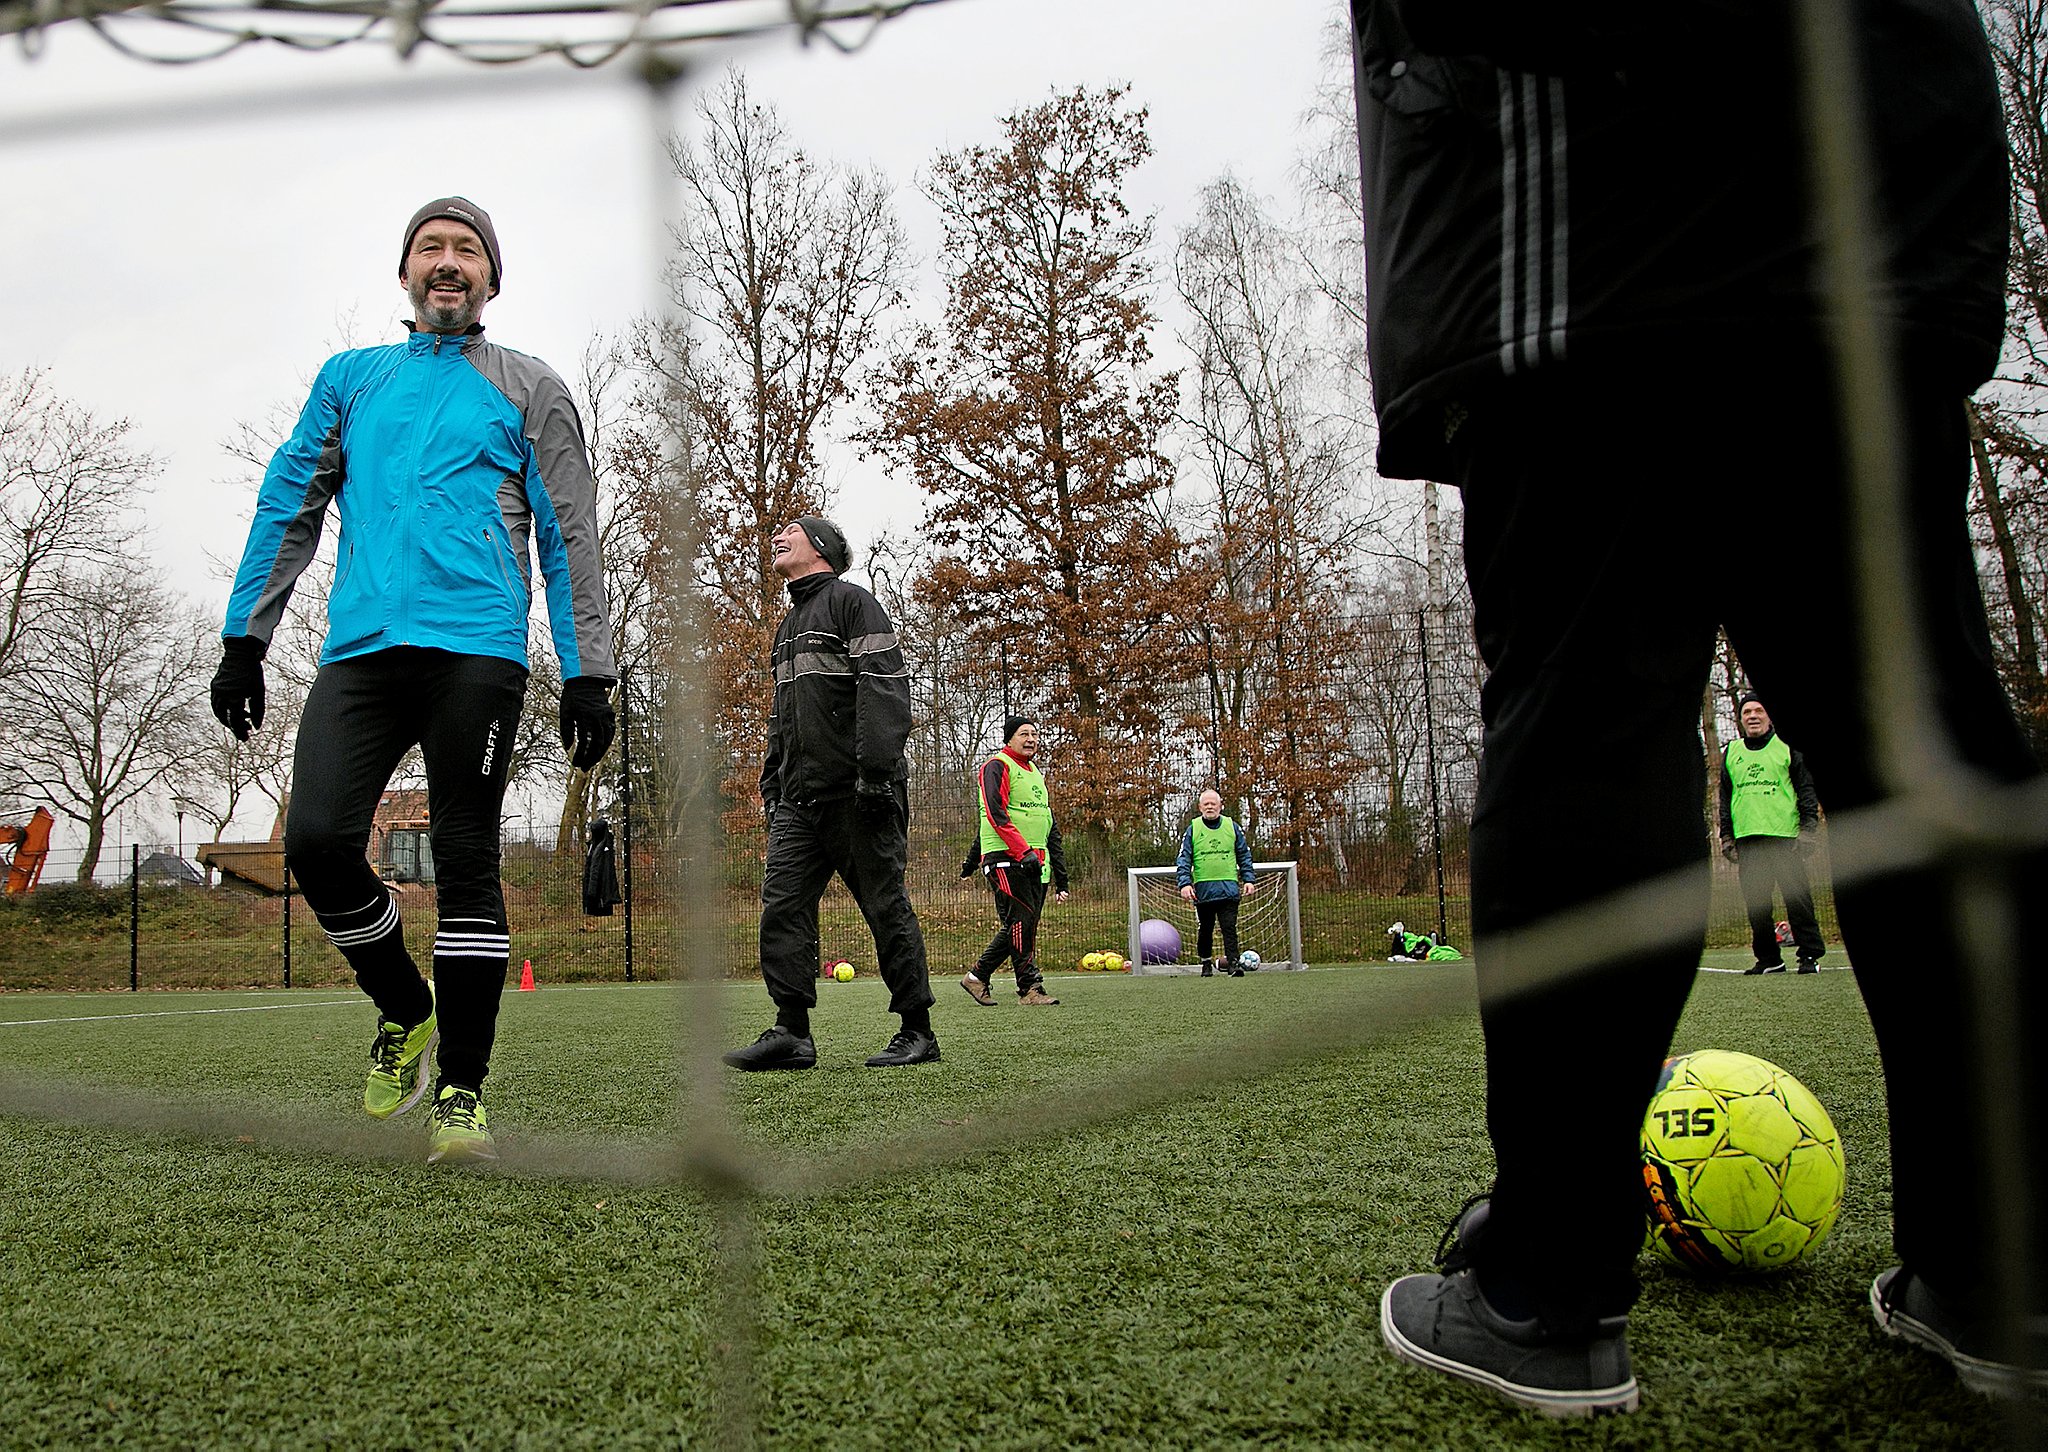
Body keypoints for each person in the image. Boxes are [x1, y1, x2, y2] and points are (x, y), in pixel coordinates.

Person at [1351, 0, 2047, 1416]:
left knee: (1588, 710)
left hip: (1600, 200)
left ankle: (1545, 1285)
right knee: (1918, 725)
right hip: (1879, 201)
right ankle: (2001, 1269)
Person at [211, 197, 617, 1165]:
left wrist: (588, 670)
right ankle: (402, 1003)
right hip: (360, 652)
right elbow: (289, 502)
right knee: (314, 839)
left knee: (468, 858)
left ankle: (462, 1096)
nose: (447, 262)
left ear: (490, 280)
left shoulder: (530, 387)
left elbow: (567, 534)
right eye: (430, 248)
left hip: (476, 651)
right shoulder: (350, 380)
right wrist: (244, 638)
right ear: (404, 275)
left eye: (466, 250)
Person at [723, 518, 939, 1070]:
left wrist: (874, 774)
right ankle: (792, 1033)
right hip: (799, 799)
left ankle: (918, 1031)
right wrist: (773, 783)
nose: (777, 535)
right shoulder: (787, 626)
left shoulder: (853, 604)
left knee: (884, 906)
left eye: (791, 529)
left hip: (859, 791)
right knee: (783, 907)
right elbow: (782, 716)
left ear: (819, 548)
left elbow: (885, 688)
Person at [960, 716, 1069, 1007]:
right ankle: (1030, 989)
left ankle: (977, 976)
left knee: (1022, 925)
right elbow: (995, 815)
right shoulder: (996, 766)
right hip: (1007, 858)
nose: (1031, 738)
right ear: (1009, 739)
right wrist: (1019, 852)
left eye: (1035, 734)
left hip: (1034, 861)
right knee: (1021, 921)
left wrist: (1058, 872)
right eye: (1024, 733)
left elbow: (1048, 823)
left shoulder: (1035, 772)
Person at [1718, 693, 1826, 975]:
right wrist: (1727, 836)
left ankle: (1809, 956)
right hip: (1747, 839)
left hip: (1784, 838)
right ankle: (1769, 959)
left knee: (1797, 899)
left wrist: (1808, 830)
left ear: (1768, 716)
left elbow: (1805, 789)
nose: (1752, 716)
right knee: (1757, 905)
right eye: (1746, 713)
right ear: (1740, 720)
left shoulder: (1787, 747)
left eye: (1758, 711)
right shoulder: (1732, 752)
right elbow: (1725, 798)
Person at [1175, 789, 1257, 977]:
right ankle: (1205, 963)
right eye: (1206, 804)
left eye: (1213, 803)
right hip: (1203, 890)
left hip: (1228, 889)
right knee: (1206, 928)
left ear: (1221, 806)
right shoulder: (1193, 829)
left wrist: (1249, 879)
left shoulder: (1232, 827)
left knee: (1229, 927)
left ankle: (1233, 964)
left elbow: (1244, 854)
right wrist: (1185, 883)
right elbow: (1183, 858)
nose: (1210, 806)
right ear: (1200, 807)